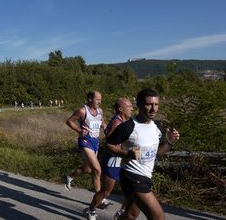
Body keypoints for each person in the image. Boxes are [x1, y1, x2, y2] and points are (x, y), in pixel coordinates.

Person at [99, 89, 180, 220]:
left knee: (130, 215)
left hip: (146, 176)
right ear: (139, 105)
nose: (153, 109)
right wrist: (125, 153)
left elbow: (157, 154)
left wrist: (170, 142)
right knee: (158, 217)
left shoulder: (156, 127)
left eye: (156, 105)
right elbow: (108, 145)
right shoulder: (128, 126)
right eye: (149, 104)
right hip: (132, 177)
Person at [87, 98, 134, 218]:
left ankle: (122, 212)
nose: (132, 108)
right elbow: (109, 142)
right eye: (129, 106)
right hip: (113, 160)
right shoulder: (116, 123)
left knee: (131, 189)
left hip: (122, 159)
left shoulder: (124, 122)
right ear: (120, 109)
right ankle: (91, 210)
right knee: (106, 191)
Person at [63, 91, 106, 201]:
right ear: (90, 99)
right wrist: (79, 130)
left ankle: (70, 176)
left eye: (100, 100)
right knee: (97, 170)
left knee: (87, 169)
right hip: (85, 141)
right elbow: (69, 121)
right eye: (98, 99)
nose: (100, 102)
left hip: (95, 141)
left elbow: (101, 122)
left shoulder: (100, 111)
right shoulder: (82, 111)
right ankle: (99, 199)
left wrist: (104, 126)